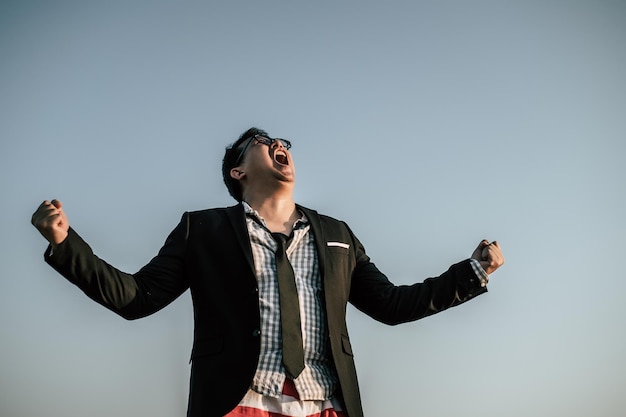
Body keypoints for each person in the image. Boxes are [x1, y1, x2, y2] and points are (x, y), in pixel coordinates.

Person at [31, 127, 504, 417]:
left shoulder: (337, 233)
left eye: (283, 142)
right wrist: (64, 244)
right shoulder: (203, 229)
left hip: (327, 406)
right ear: (237, 172)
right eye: (263, 142)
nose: (279, 145)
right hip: (238, 403)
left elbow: (392, 305)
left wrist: (471, 272)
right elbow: (137, 297)